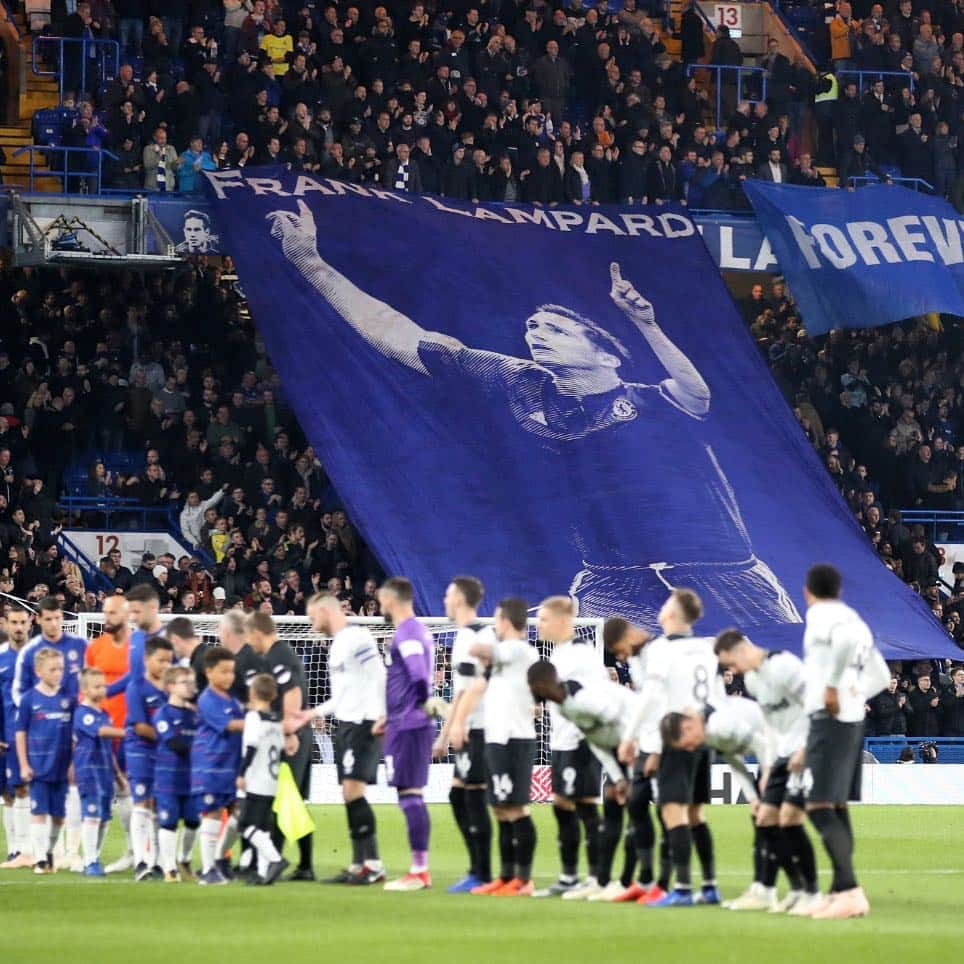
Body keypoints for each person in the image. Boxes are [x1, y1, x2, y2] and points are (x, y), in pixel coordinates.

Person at [268, 203, 800, 630]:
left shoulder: (649, 398)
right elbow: (398, 336)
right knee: (587, 692)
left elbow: (696, 394)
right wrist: (309, 262)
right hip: (612, 583)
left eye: (554, 329)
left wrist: (647, 324)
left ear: (608, 354)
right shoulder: (517, 381)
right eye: (531, 329)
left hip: (723, 574)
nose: (534, 334)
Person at [791, 563, 888, 920]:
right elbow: (881, 673)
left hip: (829, 719)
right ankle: (839, 891)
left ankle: (849, 891)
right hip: (849, 718)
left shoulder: (820, 615)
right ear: (841, 590)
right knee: (836, 805)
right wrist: (854, 691)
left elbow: (843, 648)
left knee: (817, 806)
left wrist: (833, 685)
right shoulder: (854, 620)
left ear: (807, 591)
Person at [617, 589, 723, 907]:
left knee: (672, 812)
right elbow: (716, 696)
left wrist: (630, 736)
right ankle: (709, 885)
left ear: (671, 614)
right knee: (695, 814)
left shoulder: (662, 649)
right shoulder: (706, 649)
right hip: (702, 736)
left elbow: (651, 696)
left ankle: (682, 888)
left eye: (665, 605)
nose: (661, 610)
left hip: (676, 735)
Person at [714, 629, 820, 914]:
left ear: (740, 650)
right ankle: (788, 890)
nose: (732, 671)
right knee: (766, 819)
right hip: (781, 755)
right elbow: (771, 725)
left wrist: (807, 748)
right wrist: (769, 766)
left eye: (731, 663)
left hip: (806, 750)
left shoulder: (784, 665)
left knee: (788, 820)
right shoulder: (752, 679)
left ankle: (812, 892)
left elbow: (815, 704)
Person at [527, 659, 639, 902]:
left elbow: (620, 717)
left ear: (541, 684)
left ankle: (640, 881)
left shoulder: (582, 699)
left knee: (638, 809)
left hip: (641, 738)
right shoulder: (565, 705)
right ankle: (604, 882)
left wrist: (633, 753)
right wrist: (618, 776)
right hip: (619, 745)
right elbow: (595, 740)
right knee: (613, 807)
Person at [449, 597, 539, 897]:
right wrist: (457, 722)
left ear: (505, 621)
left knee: (516, 809)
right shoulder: (503, 661)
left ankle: (523, 880)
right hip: (496, 737)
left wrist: (477, 647)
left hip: (516, 738)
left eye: (497, 619)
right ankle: (505, 876)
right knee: (501, 808)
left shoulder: (520, 650)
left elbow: (480, 650)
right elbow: (479, 685)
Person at [295, 593, 386, 885]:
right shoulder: (337, 645)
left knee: (353, 792)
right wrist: (312, 713)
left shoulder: (357, 637)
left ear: (324, 611)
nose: (311, 624)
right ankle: (360, 863)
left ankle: (372, 864)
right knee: (349, 793)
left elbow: (379, 673)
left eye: (312, 618)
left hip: (365, 724)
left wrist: (384, 714)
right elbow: (342, 695)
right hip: (346, 724)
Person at [538, 595, 608, 899]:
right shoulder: (561, 654)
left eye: (543, 619)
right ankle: (570, 877)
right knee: (564, 805)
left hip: (582, 741)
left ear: (562, 620)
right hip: (563, 739)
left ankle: (596, 878)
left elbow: (596, 697)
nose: (539, 624)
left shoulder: (582, 655)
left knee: (585, 806)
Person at [12, 597, 87, 871]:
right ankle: (41, 853)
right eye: (49, 618)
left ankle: (72, 851)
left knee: (75, 790)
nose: (55, 623)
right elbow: (19, 694)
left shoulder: (80, 646)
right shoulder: (31, 651)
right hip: (42, 737)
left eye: (58, 618)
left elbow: (90, 685)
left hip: (75, 732)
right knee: (38, 801)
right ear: (39, 619)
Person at [243, 610, 314, 880]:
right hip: (296, 732)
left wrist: (288, 730)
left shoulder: (277, 656)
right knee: (291, 800)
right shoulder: (278, 654)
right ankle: (304, 865)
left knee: (282, 799)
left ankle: (272, 862)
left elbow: (293, 692)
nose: (250, 643)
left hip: (292, 734)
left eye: (250, 637)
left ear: (257, 632)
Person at [434, 576, 494, 892]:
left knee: (473, 797)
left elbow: (477, 687)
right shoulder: (461, 637)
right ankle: (477, 869)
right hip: (466, 728)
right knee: (459, 796)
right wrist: (445, 734)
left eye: (447, 594)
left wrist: (458, 726)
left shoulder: (478, 637)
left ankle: (482, 873)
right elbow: (459, 693)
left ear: (458, 598)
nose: (444, 600)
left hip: (481, 729)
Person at [604, 617, 670, 905]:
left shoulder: (659, 652)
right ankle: (643, 880)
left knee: (672, 813)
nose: (621, 657)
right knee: (637, 804)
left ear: (628, 635)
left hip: (670, 742)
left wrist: (636, 739)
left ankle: (668, 884)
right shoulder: (640, 660)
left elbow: (661, 703)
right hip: (647, 742)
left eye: (619, 650)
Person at [377, 577, 436, 891]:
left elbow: (417, 673)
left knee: (410, 794)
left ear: (391, 599)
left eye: (380, 599)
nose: (379, 605)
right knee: (408, 794)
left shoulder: (408, 631)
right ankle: (419, 869)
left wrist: (424, 702)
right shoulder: (416, 630)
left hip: (410, 723)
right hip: (403, 720)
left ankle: (419, 871)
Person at [191, 645, 245, 885]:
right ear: (209, 672)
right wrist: (262, 723)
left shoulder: (232, 698)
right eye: (223, 672)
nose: (229, 677)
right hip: (211, 764)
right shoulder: (207, 699)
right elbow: (231, 725)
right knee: (211, 814)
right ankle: (209, 868)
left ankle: (217, 859)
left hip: (232, 766)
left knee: (241, 815)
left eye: (231, 672)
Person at [15, 648, 72, 874]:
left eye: (61, 668)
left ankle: (48, 851)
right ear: (39, 671)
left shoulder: (67, 699)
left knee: (59, 816)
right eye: (53, 669)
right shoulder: (29, 699)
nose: (58, 673)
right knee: (39, 812)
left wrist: (73, 763)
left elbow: (74, 734)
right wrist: (23, 764)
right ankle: (39, 859)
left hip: (62, 766)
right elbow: (21, 733)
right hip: (38, 767)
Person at [125, 635, 174, 881]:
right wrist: (172, 739)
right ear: (146, 659)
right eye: (160, 660)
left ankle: (156, 861)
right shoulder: (137, 687)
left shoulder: (171, 689)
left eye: (169, 661)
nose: (165, 665)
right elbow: (140, 726)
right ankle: (141, 862)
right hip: (141, 752)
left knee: (158, 805)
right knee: (142, 803)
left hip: (163, 755)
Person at [72, 667, 125, 876]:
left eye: (104, 686)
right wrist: (128, 732)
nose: (102, 690)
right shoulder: (82, 713)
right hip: (88, 772)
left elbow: (108, 747)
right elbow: (101, 732)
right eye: (97, 686)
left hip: (104, 773)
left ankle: (95, 856)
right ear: (84, 689)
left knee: (103, 817)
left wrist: (118, 775)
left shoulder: (104, 714)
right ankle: (89, 860)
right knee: (92, 816)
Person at [237, 672, 290, 885]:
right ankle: (262, 873)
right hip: (272, 779)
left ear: (252, 692)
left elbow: (251, 746)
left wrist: (241, 773)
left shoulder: (253, 718)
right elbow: (283, 752)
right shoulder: (277, 721)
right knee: (262, 827)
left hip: (256, 778)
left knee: (246, 825)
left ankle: (276, 859)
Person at [154, 665, 200, 882]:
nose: (191, 687)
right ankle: (169, 868)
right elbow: (174, 744)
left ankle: (184, 859)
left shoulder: (195, 715)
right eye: (185, 682)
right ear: (171, 686)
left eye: (192, 682)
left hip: (192, 779)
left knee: (193, 822)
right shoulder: (163, 714)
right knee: (169, 822)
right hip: (168, 780)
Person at [0, 605, 34, 868]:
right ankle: (15, 849)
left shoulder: (38, 656)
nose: (18, 627)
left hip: (36, 736)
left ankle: (32, 847)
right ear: (5, 623)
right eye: (14, 622)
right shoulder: (0, 656)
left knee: (34, 791)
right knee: (8, 793)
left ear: (30, 622)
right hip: (6, 736)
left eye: (23, 622)